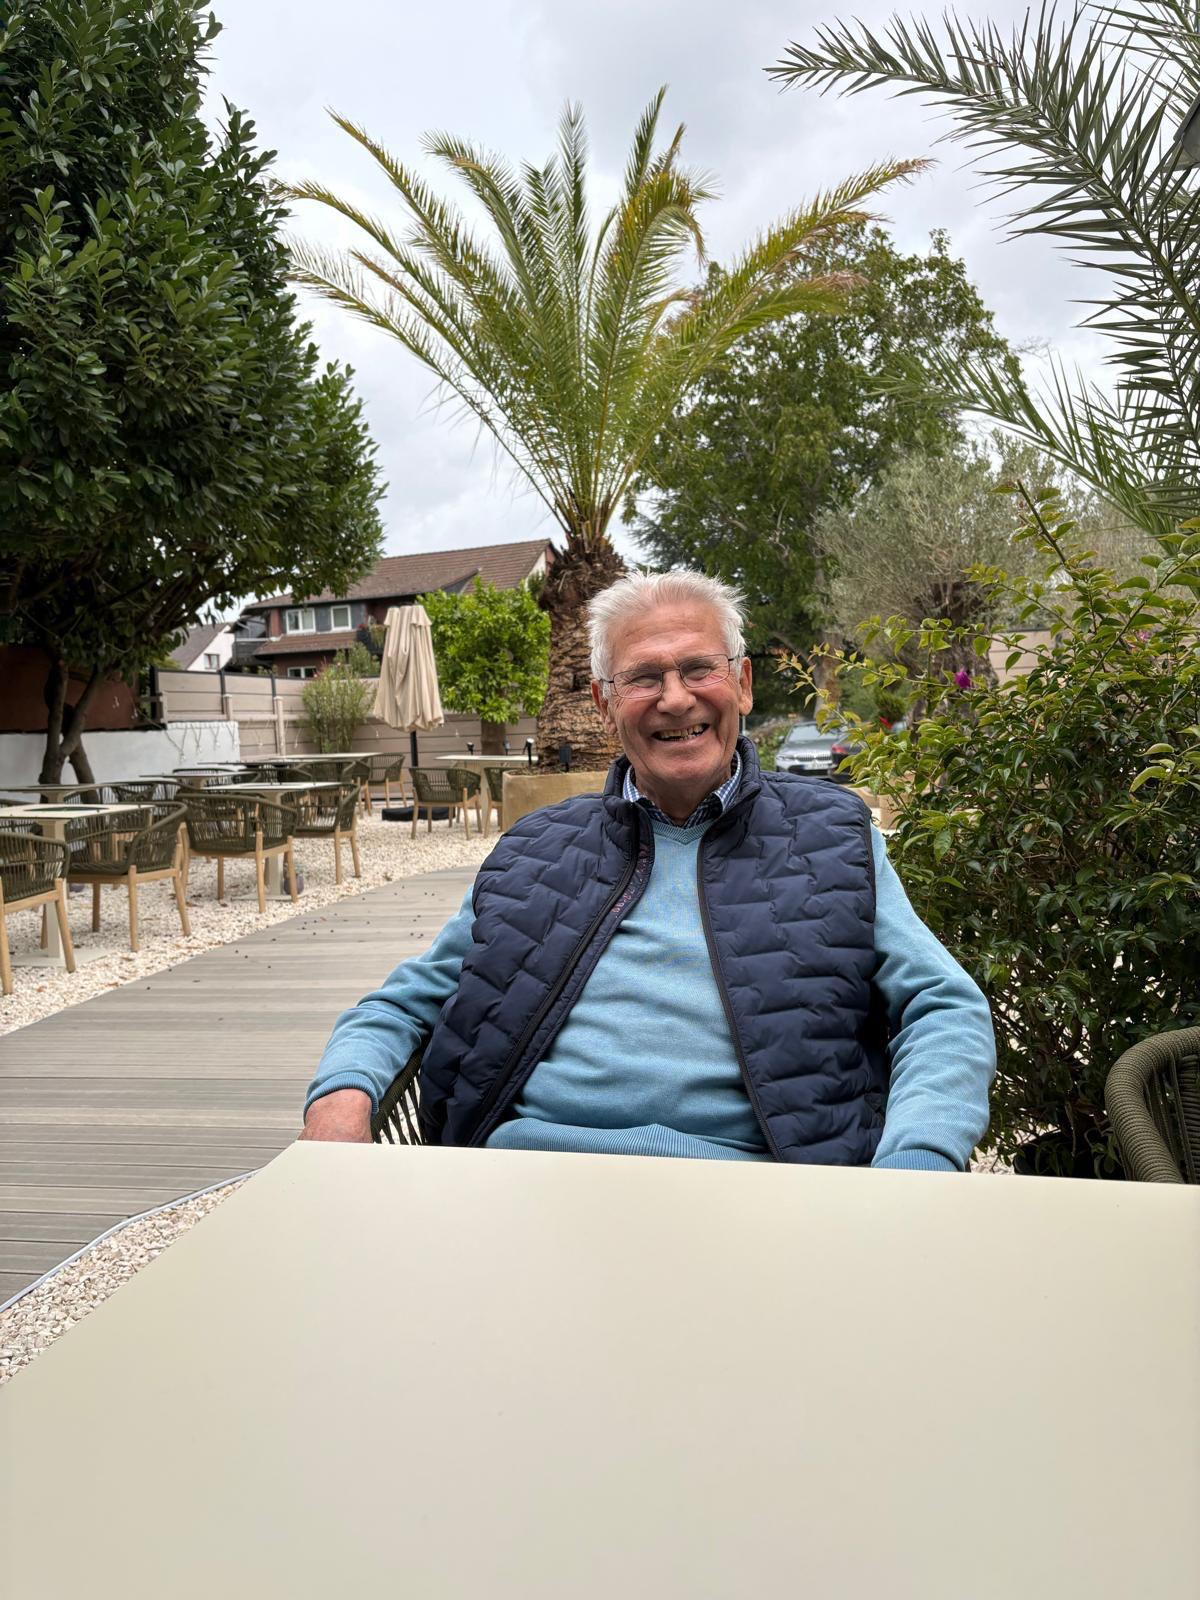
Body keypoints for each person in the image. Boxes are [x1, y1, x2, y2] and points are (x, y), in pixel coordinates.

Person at [301, 570, 994, 1169]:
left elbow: (943, 1008)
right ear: (604, 706)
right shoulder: (535, 849)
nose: (675, 698)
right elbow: (403, 1002)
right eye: (643, 677)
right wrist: (340, 1099)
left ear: (743, 684)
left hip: (761, 1195)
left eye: (699, 668)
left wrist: (915, 1163)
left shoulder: (832, 836)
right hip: (521, 1185)